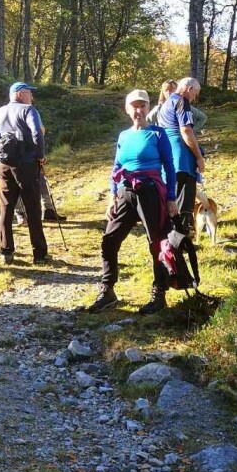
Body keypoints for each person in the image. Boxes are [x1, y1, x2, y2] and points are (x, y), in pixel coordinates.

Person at [87, 89, 178, 315]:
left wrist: (171, 198)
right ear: (127, 109)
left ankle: (159, 294)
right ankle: (107, 290)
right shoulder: (124, 136)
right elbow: (117, 168)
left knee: (157, 243)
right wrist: (112, 197)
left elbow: (169, 167)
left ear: (148, 108)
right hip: (125, 192)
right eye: (134, 106)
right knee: (109, 240)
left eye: (142, 106)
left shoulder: (158, 134)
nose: (138, 110)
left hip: (150, 192)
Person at [0, 82, 49, 265]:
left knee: (6, 208)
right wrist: (41, 156)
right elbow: (37, 133)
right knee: (33, 208)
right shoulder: (28, 110)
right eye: (30, 93)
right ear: (21, 94)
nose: (32, 97)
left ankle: (6, 252)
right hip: (27, 165)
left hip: (4, 165)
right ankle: (39, 254)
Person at [157, 76, 206, 240]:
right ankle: (180, 240)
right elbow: (186, 130)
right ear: (189, 89)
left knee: (170, 196)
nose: (195, 98)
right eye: (196, 93)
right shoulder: (181, 102)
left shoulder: (166, 103)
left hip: (167, 154)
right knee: (184, 199)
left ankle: (168, 237)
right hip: (181, 157)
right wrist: (199, 156)